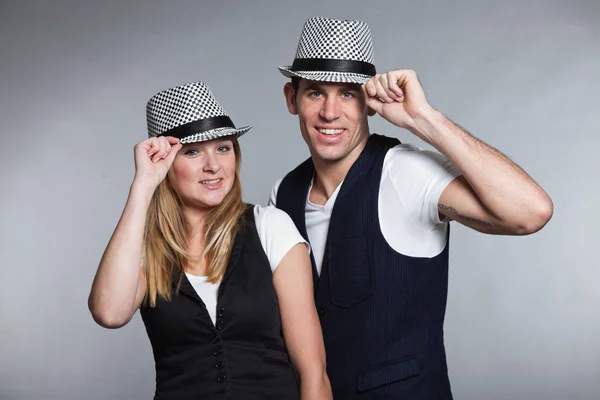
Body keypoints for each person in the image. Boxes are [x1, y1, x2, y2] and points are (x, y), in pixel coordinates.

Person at [269, 16, 553, 399]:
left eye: (348, 94)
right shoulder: (283, 193)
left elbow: (530, 212)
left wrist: (423, 119)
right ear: (292, 99)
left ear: (368, 102)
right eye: (315, 93)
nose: (330, 112)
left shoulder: (405, 172)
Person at [88, 81, 332, 399]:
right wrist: (144, 184)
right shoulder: (146, 248)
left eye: (223, 148)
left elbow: (313, 372)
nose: (213, 165)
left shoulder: (270, 226)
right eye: (192, 152)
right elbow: (109, 312)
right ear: (165, 164)